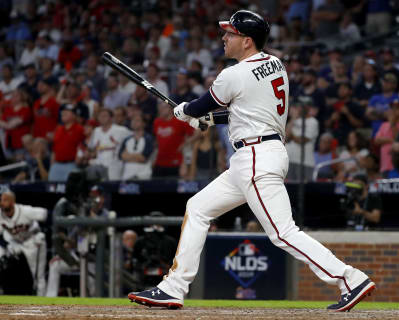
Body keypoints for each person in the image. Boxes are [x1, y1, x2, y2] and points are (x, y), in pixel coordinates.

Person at [128, 10, 375, 312]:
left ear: (246, 41)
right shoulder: (275, 64)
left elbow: (200, 106)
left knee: (283, 233)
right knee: (198, 208)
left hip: (256, 157)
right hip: (257, 154)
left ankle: (349, 278)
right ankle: (173, 287)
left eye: (230, 34)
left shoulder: (233, 74)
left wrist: (186, 112)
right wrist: (206, 118)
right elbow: (241, 110)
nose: (224, 38)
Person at [0, 191, 48, 296]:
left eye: (5, 200)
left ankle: (43, 304)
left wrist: (45, 231)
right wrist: (5, 246)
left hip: (33, 241)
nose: (1, 203)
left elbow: (45, 214)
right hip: (16, 244)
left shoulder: (25, 211)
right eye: (1, 200)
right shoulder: (0, 215)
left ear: (12, 202)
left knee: (38, 276)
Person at [132, 212, 177, 288]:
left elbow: (175, 260)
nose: (155, 226)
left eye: (158, 223)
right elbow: (135, 259)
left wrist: (165, 265)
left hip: (165, 274)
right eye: (153, 223)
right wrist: (143, 265)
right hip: (144, 274)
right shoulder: (140, 241)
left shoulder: (170, 242)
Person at [285, 96, 319, 181]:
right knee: (290, 191)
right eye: (297, 106)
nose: (298, 108)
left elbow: (300, 140)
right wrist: (292, 119)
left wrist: (290, 132)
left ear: (307, 108)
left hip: (304, 163)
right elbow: (284, 137)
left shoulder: (313, 122)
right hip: (290, 161)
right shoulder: (294, 120)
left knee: (304, 192)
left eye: (300, 106)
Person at [119, 114, 154, 180]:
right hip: (127, 173)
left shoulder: (148, 139)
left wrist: (128, 155)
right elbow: (121, 156)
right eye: (133, 120)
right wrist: (137, 156)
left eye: (137, 120)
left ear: (144, 124)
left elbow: (143, 158)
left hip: (143, 174)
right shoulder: (127, 139)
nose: (134, 122)